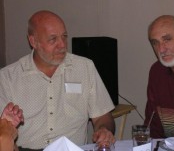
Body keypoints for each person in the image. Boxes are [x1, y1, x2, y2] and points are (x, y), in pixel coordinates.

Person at [0, 10, 115, 151]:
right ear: (33, 41)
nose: (62, 45)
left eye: (64, 36)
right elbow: (3, 135)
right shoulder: (8, 78)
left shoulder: (84, 67)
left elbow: (103, 116)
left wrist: (104, 129)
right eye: (53, 39)